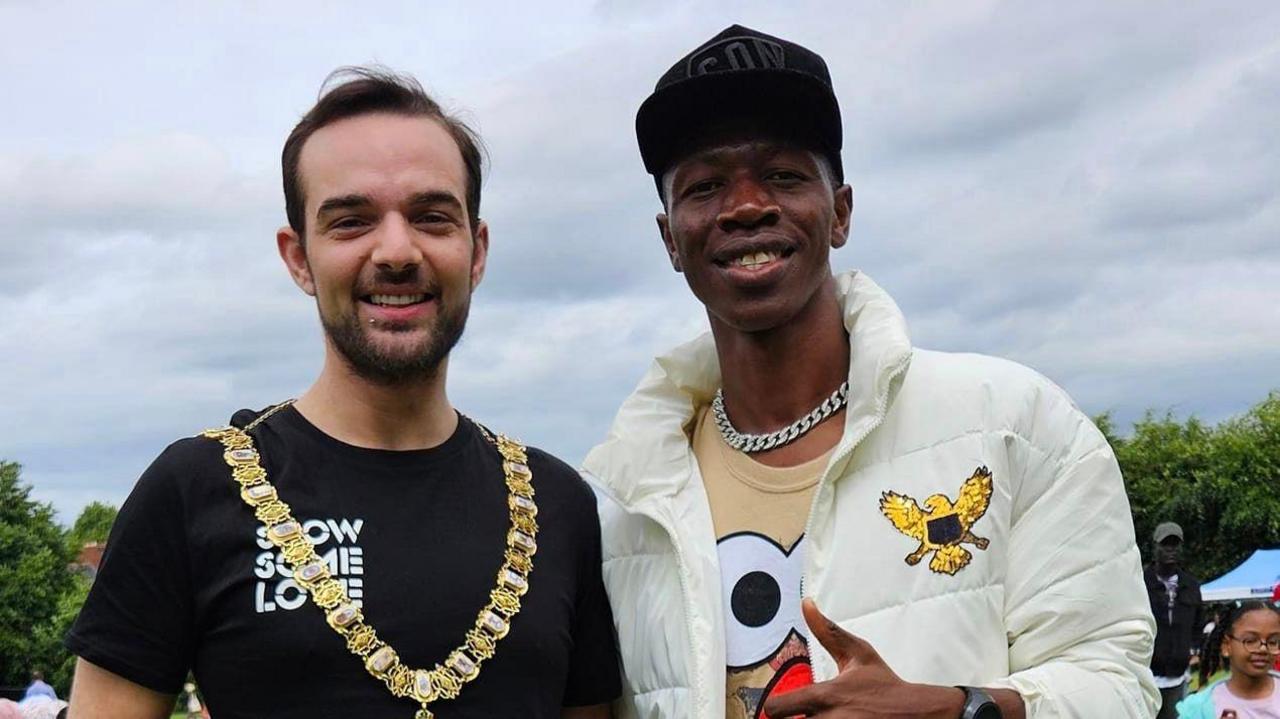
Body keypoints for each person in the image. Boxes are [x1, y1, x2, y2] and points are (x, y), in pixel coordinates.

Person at [582, 24, 1159, 718]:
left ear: (841, 212)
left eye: (784, 176)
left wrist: (958, 708)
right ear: (671, 237)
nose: (745, 206)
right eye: (705, 186)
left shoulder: (1016, 423)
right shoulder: (617, 501)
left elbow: (1117, 680)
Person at [64, 67, 620, 719]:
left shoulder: (558, 506)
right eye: (351, 221)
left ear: (477, 250)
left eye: (431, 216)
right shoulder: (194, 490)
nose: (395, 250)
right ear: (298, 257)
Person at [1177, 600, 1280, 718]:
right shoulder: (1200, 708)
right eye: (1250, 641)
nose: (1263, 649)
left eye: (1273, 642)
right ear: (1226, 645)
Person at [1146, 522, 1204, 718]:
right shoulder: (1139, 582)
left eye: (1175, 544)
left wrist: (1193, 649)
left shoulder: (1191, 585)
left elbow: (1198, 624)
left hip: (1178, 675)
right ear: (1155, 547)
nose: (1170, 550)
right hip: (1145, 674)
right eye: (1165, 544)